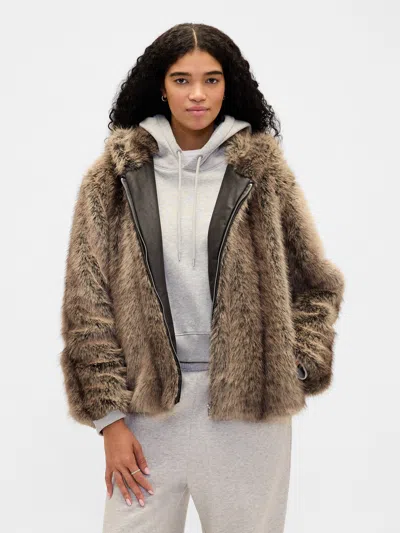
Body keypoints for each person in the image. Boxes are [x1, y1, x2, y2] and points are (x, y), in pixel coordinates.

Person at [60, 22, 345, 533]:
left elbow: (316, 285)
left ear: (228, 85)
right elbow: (88, 304)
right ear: (160, 86)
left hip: (248, 417)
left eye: (212, 80)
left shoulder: (263, 173)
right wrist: (109, 420)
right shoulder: (113, 178)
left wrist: (294, 366)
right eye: (182, 79)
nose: (197, 94)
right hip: (147, 413)